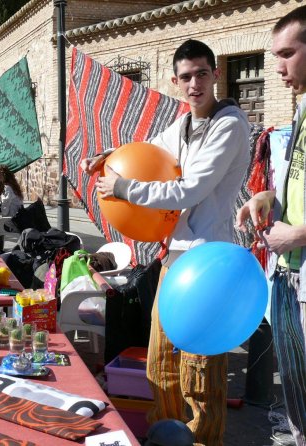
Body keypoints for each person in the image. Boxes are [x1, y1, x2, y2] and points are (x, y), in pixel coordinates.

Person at [81, 39, 250, 446]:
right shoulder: (184, 125)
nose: (195, 83)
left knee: (200, 370)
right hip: (175, 258)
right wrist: (107, 157)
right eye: (186, 77)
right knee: (160, 362)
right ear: (175, 82)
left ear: (215, 75)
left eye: (202, 74)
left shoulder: (229, 124)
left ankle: (204, 441)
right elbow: (150, 150)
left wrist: (123, 187)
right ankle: (166, 438)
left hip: (208, 262)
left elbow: (189, 190)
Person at [236, 7, 306, 445]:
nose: (277, 67)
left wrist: (299, 234)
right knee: (298, 398)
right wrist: (268, 197)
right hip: (289, 276)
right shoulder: (302, 112)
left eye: (288, 53)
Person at [0, 165, 24, 251]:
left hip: (13, 221)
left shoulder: (6, 188)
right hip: (18, 218)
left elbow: (4, 211)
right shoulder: (13, 186)